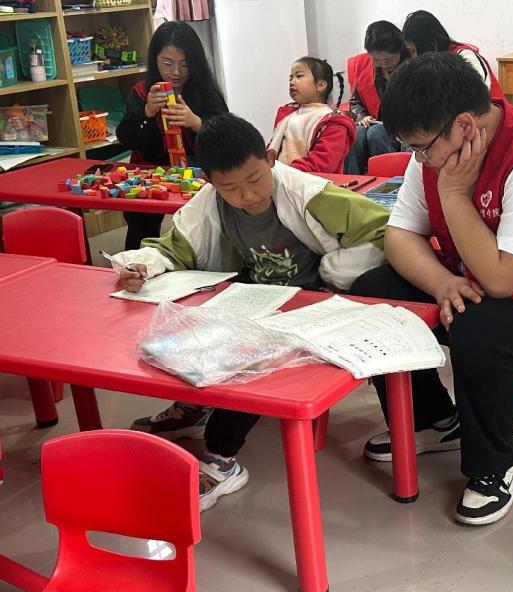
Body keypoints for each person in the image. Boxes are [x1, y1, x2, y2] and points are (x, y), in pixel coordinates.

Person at [349, 53, 513, 526]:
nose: (419, 159)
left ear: (464, 126)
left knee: (480, 327)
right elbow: (400, 235)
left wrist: (453, 194)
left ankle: (496, 466)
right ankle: (433, 420)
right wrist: (441, 281)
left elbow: (502, 280)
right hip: (475, 278)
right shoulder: (438, 150)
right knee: (375, 291)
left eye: (421, 148)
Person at [112, 113, 389, 511]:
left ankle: (221, 456)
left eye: (255, 179)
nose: (248, 196)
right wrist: (141, 265)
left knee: (251, 353)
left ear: (271, 159)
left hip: (312, 302)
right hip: (253, 300)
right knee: (182, 330)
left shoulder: (308, 193)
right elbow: (174, 247)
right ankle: (194, 409)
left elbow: (383, 228)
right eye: (231, 188)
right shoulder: (210, 204)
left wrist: (336, 272)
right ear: (210, 181)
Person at [117, 21, 228, 250]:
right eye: (167, 64)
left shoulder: (205, 91)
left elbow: (227, 135)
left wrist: (196, 123)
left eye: (184, 65)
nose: (176, 72)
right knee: (140, 218)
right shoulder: (142, 91)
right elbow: (126, 137)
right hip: (151, 170)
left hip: (196, 169)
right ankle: (137, 260)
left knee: (206, 219)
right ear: (155, 60)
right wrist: (147, 112)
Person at [343, 21, 411, 175]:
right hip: (374, 122)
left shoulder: (412, 69)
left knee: (377, 133)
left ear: (399, 50)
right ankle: (352, 182)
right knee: (355, 133)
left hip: (402, 127)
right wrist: (362, 116)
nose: (383, 65)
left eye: (388, 60)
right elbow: (355, 102)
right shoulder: (366, 69)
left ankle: (387, 183)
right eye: (377, 60)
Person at [269, 56, 355, 174]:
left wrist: (283, 173)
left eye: (299, 76)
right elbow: (271, 149)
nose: (292, 82)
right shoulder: (287, 115)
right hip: (280, 178)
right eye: (290, 78)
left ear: (321, 85)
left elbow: (322, 163)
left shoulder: (334, 122)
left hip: (314, 182)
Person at [401, 10, 503, 98]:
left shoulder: (466, 57)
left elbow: (475, 98)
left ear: (431, 44)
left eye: (414, 51)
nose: (413, 57)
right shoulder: (429, 66)